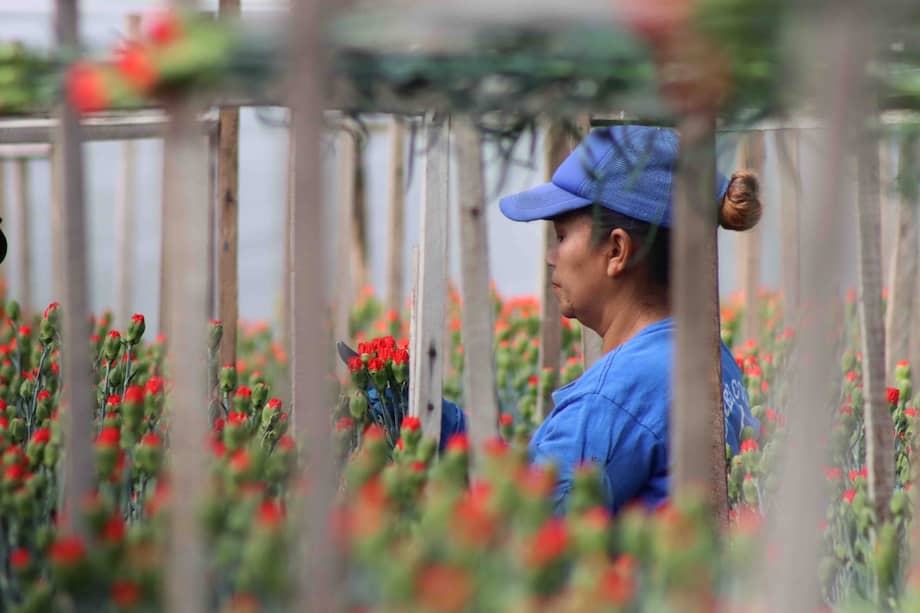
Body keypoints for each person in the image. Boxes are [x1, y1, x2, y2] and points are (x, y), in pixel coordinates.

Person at [370, 124, 761, 515]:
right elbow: (541, 479)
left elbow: (525, 517)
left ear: (616, 251)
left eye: (561, 237)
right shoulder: (707, 355)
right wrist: (443, 424)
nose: (550, 257)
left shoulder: (618, 392)